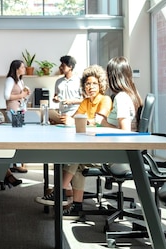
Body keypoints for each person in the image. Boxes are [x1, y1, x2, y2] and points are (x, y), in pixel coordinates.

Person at [34, 64, 113, 218]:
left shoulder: (105, 100)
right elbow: (76, 119)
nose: (90, 87)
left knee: (75, 157)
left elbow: (96, 122)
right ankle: (77, 205)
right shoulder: (85, 102)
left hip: (103, 150)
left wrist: (74, 121)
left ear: (101, 84)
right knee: (75, 161)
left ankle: (59, 193)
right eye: (87, 84)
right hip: (89, 147)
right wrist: (64, 120)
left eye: (94, 83)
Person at [4, 60, 30, 173]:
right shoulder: (10, 79)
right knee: (14, 137)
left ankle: (16, 163)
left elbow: (21, 96)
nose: (24, 69)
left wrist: (24, 94)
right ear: (16, 69)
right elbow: (6, 96)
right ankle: (15, 164)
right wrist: (21, 95)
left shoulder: (20, 80)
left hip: (20, 109)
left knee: (18, 137)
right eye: (22, 67)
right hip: (13, 110)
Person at [49, 55, 83, 124]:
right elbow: (55, 97)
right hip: (62, 114)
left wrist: (71, 101)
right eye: (61, 65)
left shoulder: (79, 81)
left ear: (70, 67)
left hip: (75, 114)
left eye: (63, 65)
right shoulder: (58, 81)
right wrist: (55, 99)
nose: (61, 67)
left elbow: (85, 100)